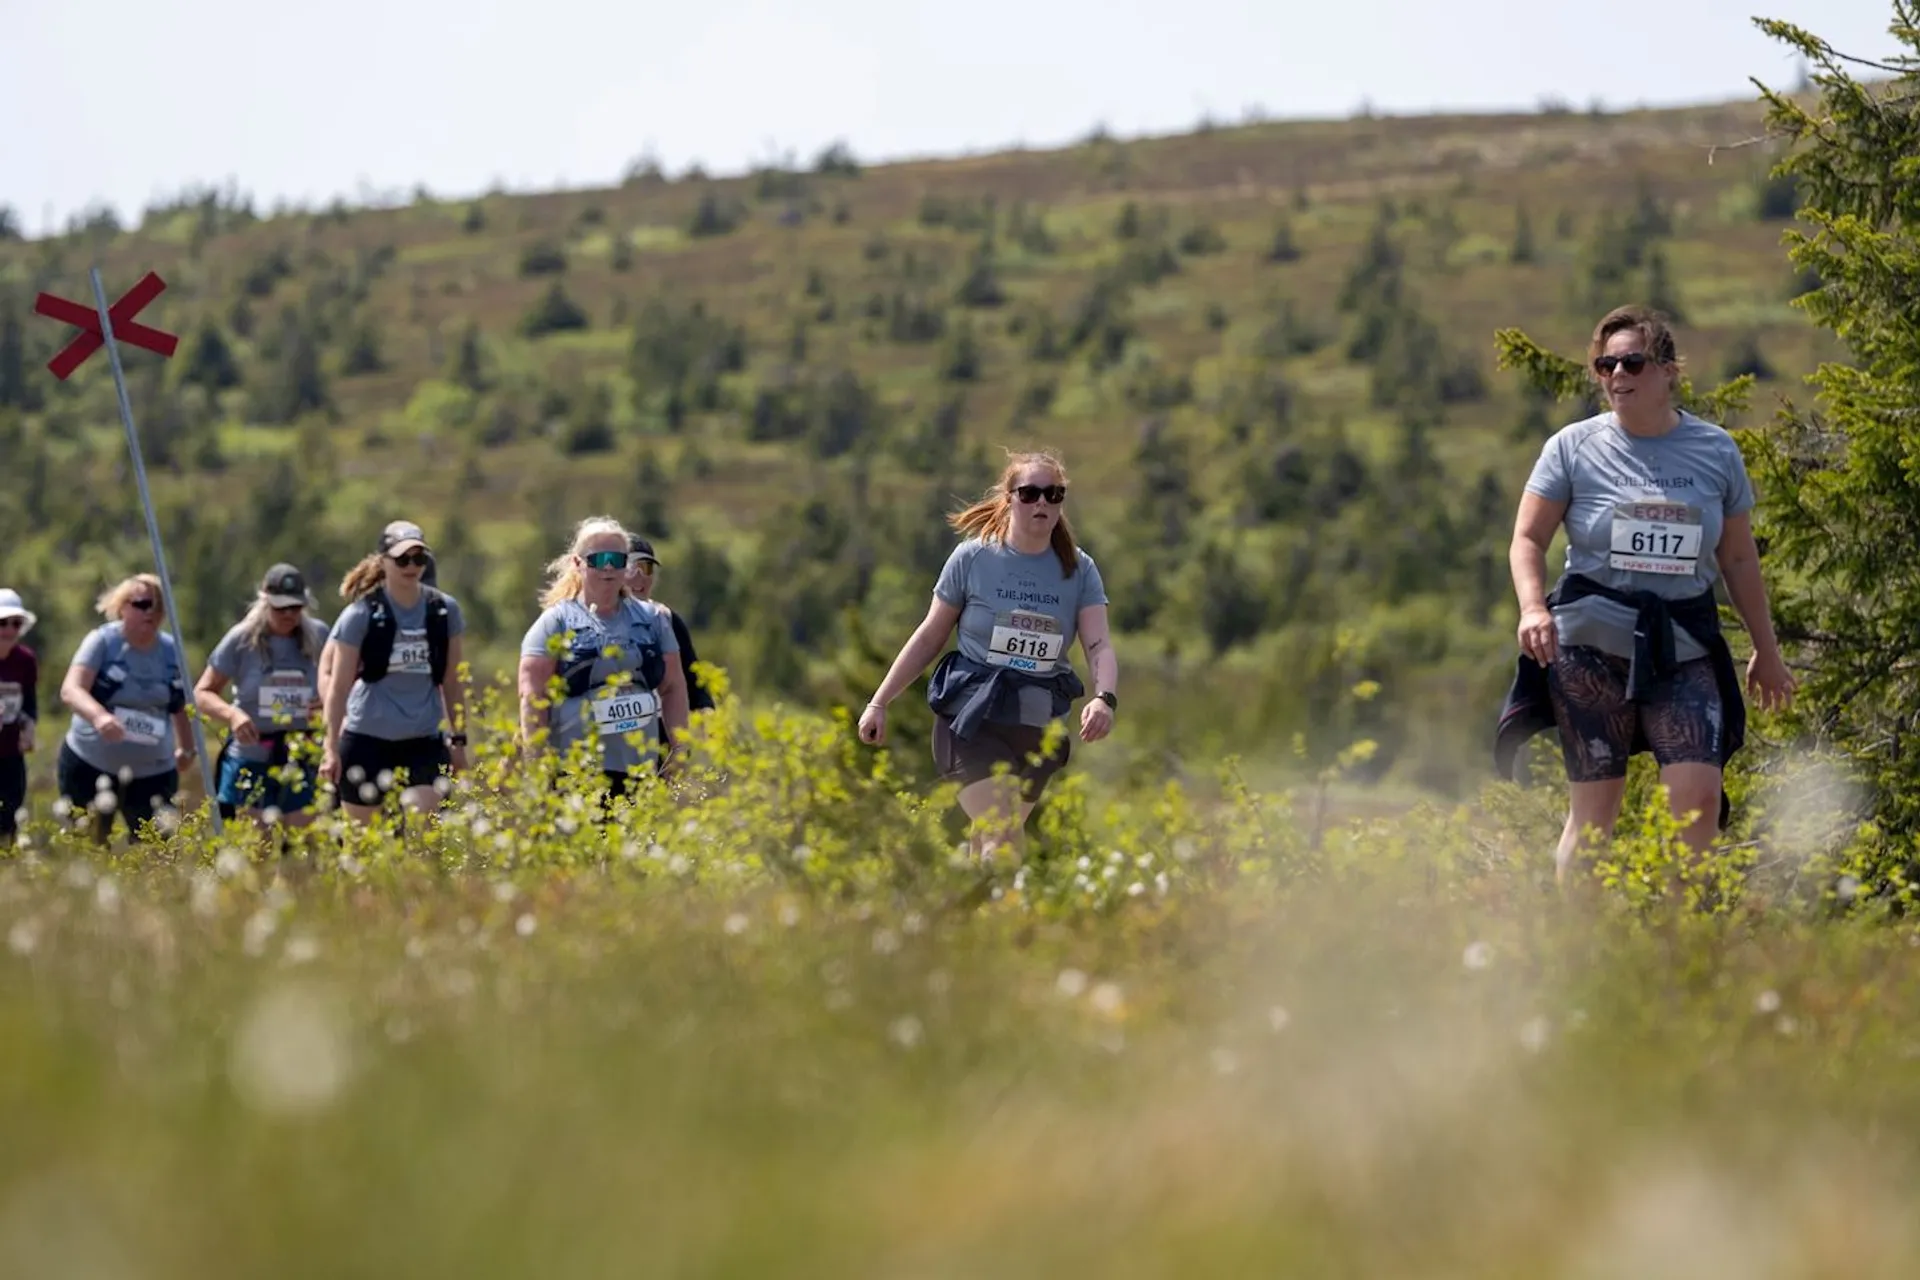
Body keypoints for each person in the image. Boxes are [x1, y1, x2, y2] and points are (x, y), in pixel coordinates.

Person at [1495, 304, 1796, 890]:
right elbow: (1527, 538)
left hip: (1682, 646)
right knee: (1595, 816)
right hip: (1589, 648)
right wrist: (1533, 607)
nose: (1616, 375)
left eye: (1631, 361)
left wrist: (1767, 648)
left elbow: (1736, 557)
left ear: (1667, 370)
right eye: (1604, 365)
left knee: (1698, 801)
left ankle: (1682, 953)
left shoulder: (1715, 452)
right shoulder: (1572, 447)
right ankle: (1582, 955)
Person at [858, 450, 1118, 866]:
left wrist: (1104, 697)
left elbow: (1098, 645)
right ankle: (1009, 924)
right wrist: (879, 702)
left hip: (1038, 727)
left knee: (993, 840)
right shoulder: (974, 558)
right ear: (1009, 497)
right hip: (971, 719)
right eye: (1031, 493)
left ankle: (973, 925)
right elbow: (930, 636)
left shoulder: (1079, 569)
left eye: (1054, 495)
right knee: (1002, 834)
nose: (1042, 504)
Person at [519, 517, 691, 800]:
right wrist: (536, 766)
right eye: (598, 559)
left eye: (616, 559)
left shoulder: (654, 621)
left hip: (641, 773)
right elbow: (531, 697)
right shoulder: (556, 622)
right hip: (574, 771)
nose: (609, 567)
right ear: (578, 563)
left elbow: (673, 686)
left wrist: (679, 751)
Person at [320, 520, 469, 823]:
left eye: (418, 558)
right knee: (367, 844)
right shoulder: (360, 615)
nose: (411, 566)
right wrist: (331, 748)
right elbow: (338, 688)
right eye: (402, 559)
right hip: (366, 740)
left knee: (421, 824)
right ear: (383, 561)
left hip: (424, 740)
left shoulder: (444, 611)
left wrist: (458, 741)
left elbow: (452, 681)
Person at [56, 573, 196, 845]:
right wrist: (99, 717)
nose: (151, 613)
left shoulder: (171, 652)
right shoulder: (102, 642)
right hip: (90, 764)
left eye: (158, 606)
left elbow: (180, 705)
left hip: (154, 773)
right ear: (122, 607)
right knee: (88, 845)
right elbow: (71, 689)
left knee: (156, 851)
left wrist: (187, 748)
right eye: (143, 604)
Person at [195, 564, 330, 829]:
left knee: (301, 850)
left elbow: (345, 684)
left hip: (301, 755)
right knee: (257, 850)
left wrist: (326, 701)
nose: (289, 614)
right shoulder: (241, 639)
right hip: (251, 756)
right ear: (265, 600)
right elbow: (202, 693)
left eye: (296, 607)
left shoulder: (320, 635)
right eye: (281, 607)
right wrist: (233, 715)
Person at [625, 535, 714, 715]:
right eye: (631, 568)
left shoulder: (666, 619)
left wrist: (711, 727)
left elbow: (695, 686)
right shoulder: (586, 621)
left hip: (661, 733)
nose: (639, 576)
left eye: (646, 568)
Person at [0, 589, 39, 843]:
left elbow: (30, 703)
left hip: (11, 753)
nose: (9, 630)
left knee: (8, 819)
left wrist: (29, 728)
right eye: (3, 623)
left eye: (16, 623)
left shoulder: (25, 660)